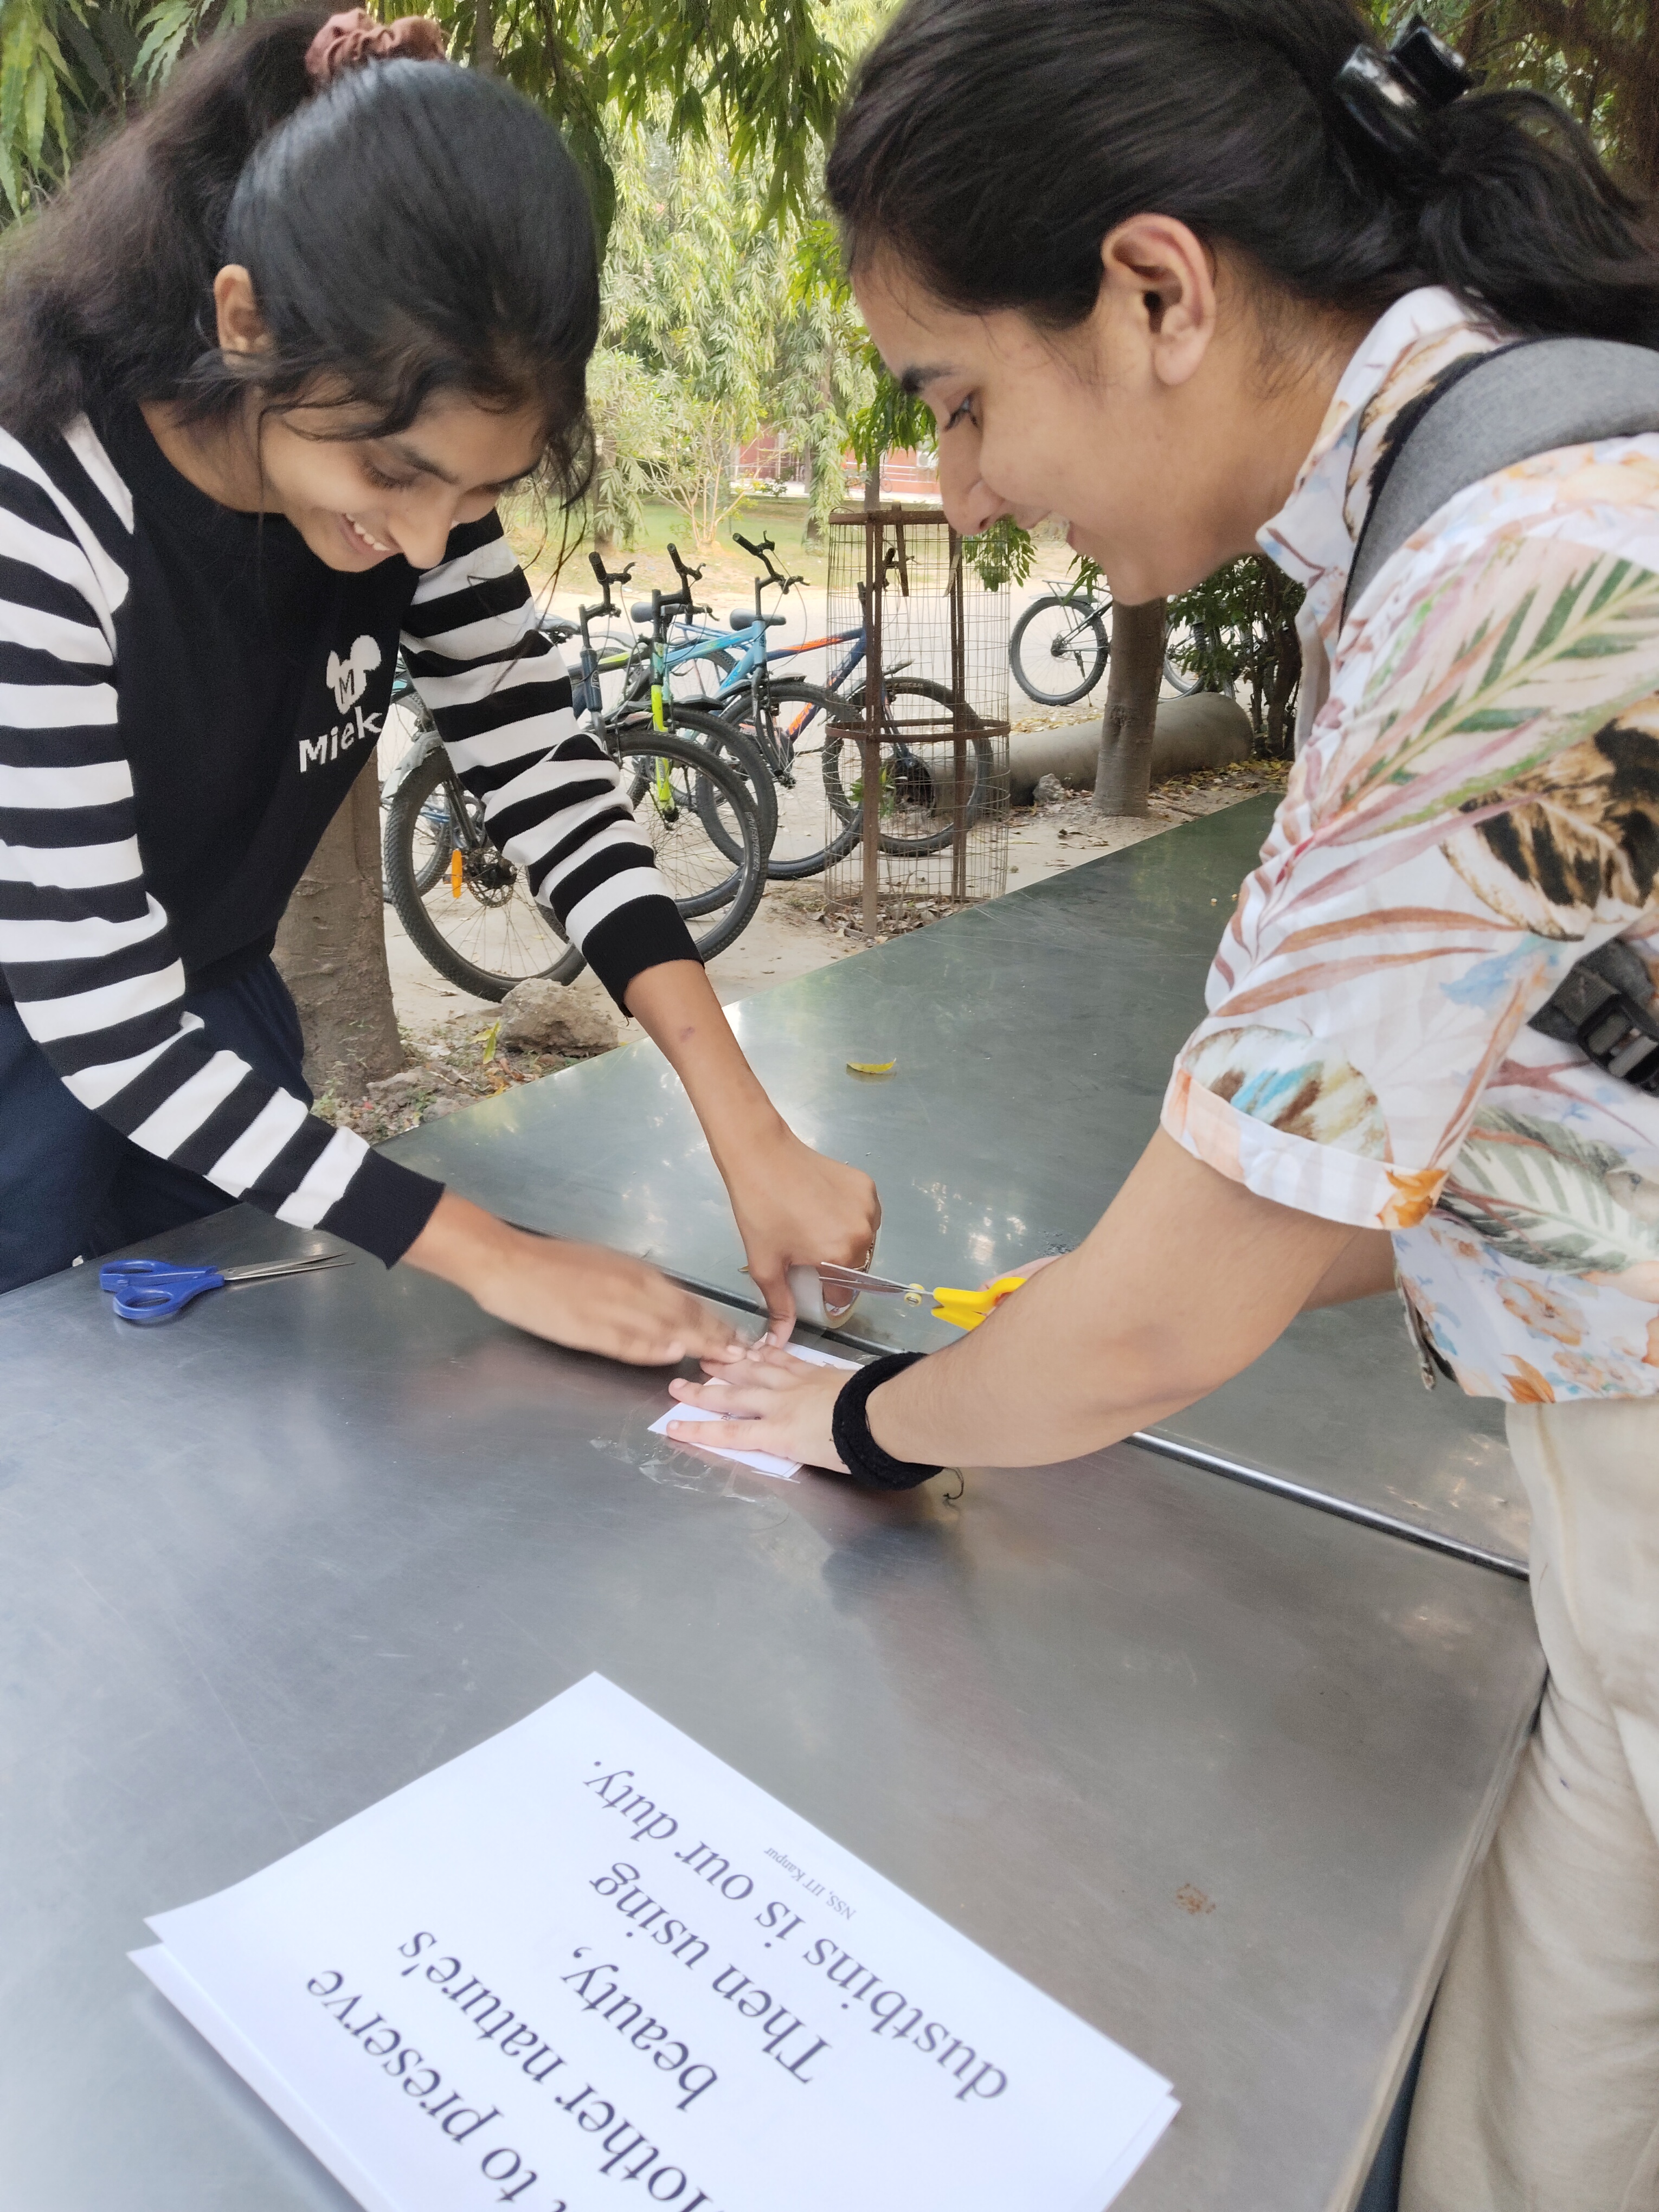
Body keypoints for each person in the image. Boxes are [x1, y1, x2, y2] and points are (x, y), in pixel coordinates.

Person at [664, 1, 1659, 2201]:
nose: (962, 486)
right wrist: (1072, 1326)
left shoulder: (1515, 574)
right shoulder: (1459, 495)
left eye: (960, 398)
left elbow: (1177, 1317)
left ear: (1156, 292)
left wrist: (861, 1418)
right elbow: (1431, 1144)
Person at [0, 8, 878, 1360]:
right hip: (38, 1036)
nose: (423, 541)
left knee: (228, 1417)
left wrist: (750, 1128)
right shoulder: (44, 513)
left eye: (481, 490)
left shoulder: (418, 487)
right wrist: (495, 1258)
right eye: (397, 475)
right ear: (246, 323)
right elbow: (105, 1020)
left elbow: (543, 771)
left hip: (209, 1016)